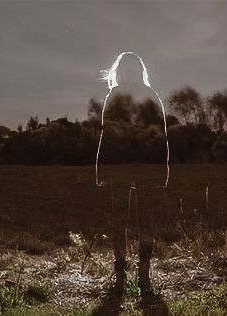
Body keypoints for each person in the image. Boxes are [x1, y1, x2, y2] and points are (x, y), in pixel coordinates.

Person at [95, 52, 169, 301]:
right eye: (124, 68)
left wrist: (162, 169)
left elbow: (161, 134)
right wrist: (102, 168)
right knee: (120, 218)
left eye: (132, 68)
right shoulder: (113, 96)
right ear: (120, 71)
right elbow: (106, 134)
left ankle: (144, 269)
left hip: (145, 167)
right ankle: (120, 266)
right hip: (119, 166)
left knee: (144, 219)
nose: (128, 72)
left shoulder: (150, 95)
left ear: (139, 70)